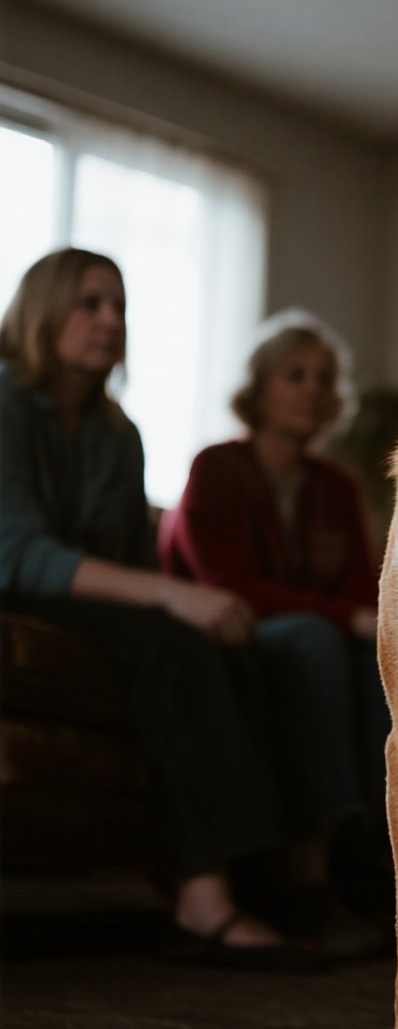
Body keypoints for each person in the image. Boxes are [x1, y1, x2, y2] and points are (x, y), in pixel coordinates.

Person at [0, 248, 320, 971]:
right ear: (43, 309)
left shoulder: (119, 434)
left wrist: (182, 603)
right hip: (19, 594)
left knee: (237, 656)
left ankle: (278, 885)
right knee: (170, 642)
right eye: (89, 304)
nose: (110, 321)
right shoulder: (5, 402)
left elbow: (130, 562)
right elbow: (14, 552)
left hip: (93, 606)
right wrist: (174, 595)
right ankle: (203, 896)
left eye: (118, 306)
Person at [159, 311, 392, 947]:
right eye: (295, 375)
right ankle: (305, 877)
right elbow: (229, 587)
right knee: (321, 640)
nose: (313, 389)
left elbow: (357, 590)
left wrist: (359, 620)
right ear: (259, 387)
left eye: (323, 378)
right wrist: (347, 618)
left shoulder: (337, 486)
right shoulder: (217, 467)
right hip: (225, 635)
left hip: (310, 637)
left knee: (378, 655)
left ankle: (374, 861)